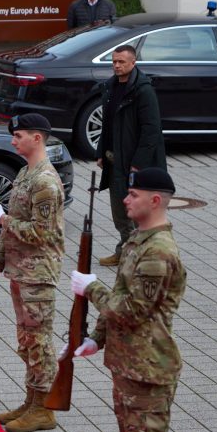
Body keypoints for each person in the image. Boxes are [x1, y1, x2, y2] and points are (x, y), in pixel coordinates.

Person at [70, 168, 186, 432]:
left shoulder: (158, 252)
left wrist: (92, 288)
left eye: (133, 194)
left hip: (149, 367)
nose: (125, 199)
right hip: (129, 361)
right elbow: (122, 294)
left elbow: (133, 309)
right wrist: (96, 338)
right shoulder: (139, 241)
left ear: (156, 200)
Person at [0, 114, 65, 432]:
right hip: (21, 268)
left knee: (38, 340)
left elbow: (42, 233)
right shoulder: (26, 172)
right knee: (27, 339)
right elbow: (18, 221)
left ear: (37, 138)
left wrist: (2, 220)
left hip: (38, 272)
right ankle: (32, 399)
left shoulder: (44, 180)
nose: (13, 141)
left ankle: (43, 408)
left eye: (19, 136)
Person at [96, 44, 166, 267]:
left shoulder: (143, 91)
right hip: (115, 162)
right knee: (120, 212)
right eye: (114, 62)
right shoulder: (110, 88)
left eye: (121, 62)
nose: (116, 66)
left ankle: (144, 256)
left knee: (138, 213)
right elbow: (106, 125)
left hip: (136, 164)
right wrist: (100, 152)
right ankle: (126, 251)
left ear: (133, 63)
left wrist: (139, 164)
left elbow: (151, 130)